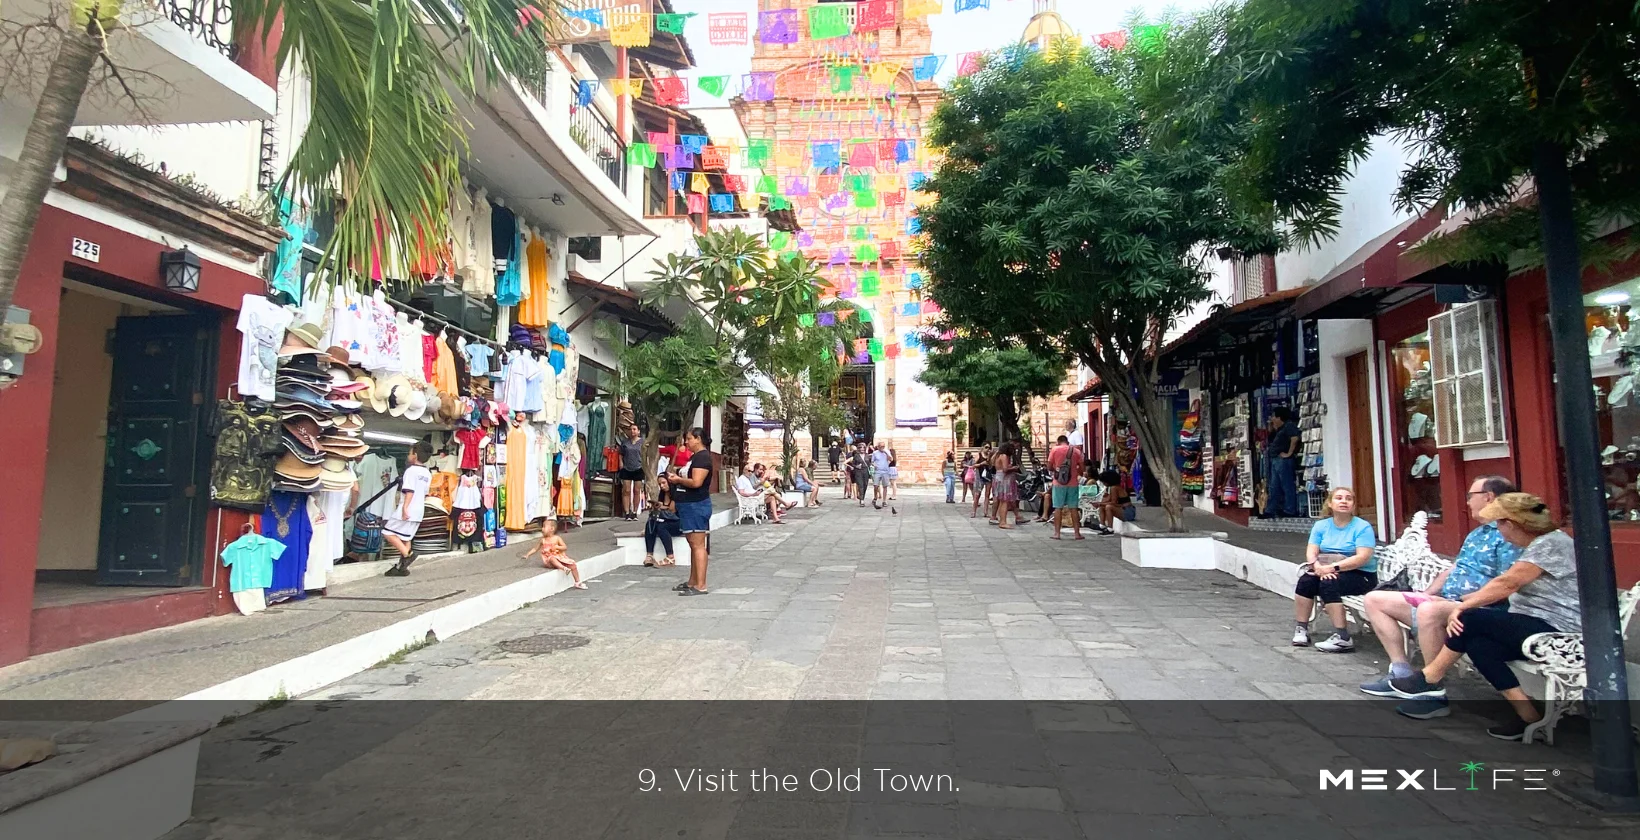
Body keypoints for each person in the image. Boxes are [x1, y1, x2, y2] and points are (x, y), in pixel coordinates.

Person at [1388, 493, 1584, 741]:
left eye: (1499, 524)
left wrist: (1463, 605)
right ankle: (1529, 717)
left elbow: (1508, 582)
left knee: (1471, 619)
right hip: (1534, 622)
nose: (1499, 531)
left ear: (1510, 524)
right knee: (1479, 644)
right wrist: (1465, 603)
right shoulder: (1538, 544)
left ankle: (1430, 677)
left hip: (1557, 629)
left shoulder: (1551, 544)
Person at [1358, 475, 1522, 718]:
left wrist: (1463, 601)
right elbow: (1455, 569)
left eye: (1470, 496)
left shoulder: (1509, 534)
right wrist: (1426, 593)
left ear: (1488, 498)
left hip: (1481, 609)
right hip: (1447, 600)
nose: (1467, 502)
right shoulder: (1477, 534)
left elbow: (1507, 583)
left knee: (1428, 611)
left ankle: (1432, 693)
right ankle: (1402, 673)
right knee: (1375, 599)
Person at [1293, 486, 1378, 652]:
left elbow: (1363, 557)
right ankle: (1301, 628)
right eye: (1339, 498)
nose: (1344, 501)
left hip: (1360, 574)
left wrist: (1332, 568)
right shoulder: (1321, 526)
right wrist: (1316, 566)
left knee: (1329, 583)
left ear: (1353, 505)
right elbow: (1312, 550)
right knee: (1306, 581)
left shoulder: (1362, 527)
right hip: (1326, 569)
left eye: (1349, 499)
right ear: (1330, 504)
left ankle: (1343, 637)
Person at [670, 428, 715, 596]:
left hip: (696, 505)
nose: (686, 442)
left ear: (698, 439)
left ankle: (701, 585)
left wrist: (678, 479)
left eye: (689, 439)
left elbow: (696, 482)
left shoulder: (702, 458)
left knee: (698, 545)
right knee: (693, 544)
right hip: (688, 504)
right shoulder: (695, 457)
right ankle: (693, 581)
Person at [383, 440, 433, 577]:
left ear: (415, 455)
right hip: (419, 509)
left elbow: (409, 491)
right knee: (406, 537)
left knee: (387, 532)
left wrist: (405, 508)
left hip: (408, 508)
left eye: (410, 453)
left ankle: (407, 555)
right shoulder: (427, 473)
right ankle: (401, 567)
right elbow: (424, 492)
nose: (408, 455)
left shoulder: (411, 471)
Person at [1262, 407, 1302, 518]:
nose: (1272, 419)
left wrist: (1289, 453)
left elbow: (1295, 438)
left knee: (1286, 485)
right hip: (1276, 459)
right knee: (1274, 486)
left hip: (1283, 460)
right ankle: (1271, 510)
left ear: (1280, 417)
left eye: (1274, 416)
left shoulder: (1289, 426)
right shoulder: (1280, 429)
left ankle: (1289, 510)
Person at [525, 518, 584, 589]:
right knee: (552, 558)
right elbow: (535, 549)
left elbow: (564, 547)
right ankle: (563, 568)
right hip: (549, 561)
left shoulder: (557, 538)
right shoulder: (543, 540)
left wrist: (557, 547)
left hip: (559, 557)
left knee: (573, 565)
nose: (542, 529)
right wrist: (528, 554)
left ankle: (577, 582)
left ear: (552, 529)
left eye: (544, 527)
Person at [1047, 435, 1086, 540]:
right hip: (1073, 483)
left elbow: (1049, 466)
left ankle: (1057, 533)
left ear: (1058, 441)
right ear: (1067, 441)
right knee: (1073, 508)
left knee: (1058, 508)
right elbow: (1082, 468)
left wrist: (1057, 469)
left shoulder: (1055, 450)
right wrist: (1075, 472)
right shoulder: (1076, 451)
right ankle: (1077, 533)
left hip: (1058, 483)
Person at [642, 473, 680, 568]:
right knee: (651, 522)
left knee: (661, 526)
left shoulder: (676, 492)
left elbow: (672, 510)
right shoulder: (663, 494)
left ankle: (670, 557)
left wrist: (661, 506)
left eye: (664, 483)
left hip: (678, 521)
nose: (662, 486)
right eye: (660, 484)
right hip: (668, 519)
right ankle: (649, 555)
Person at [617, 425, 645, 521]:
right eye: (631, 429)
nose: (632, 431)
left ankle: (635, 512)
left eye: (634, 429)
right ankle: (627, 512)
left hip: (639, 467)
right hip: (626, 468)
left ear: (638, 431)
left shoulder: (642, 442)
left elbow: (646, 454)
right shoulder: (625, 442)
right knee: (626, 490)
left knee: (637, 490)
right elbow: (620, 453)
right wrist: (621, 462)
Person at [993, 442, 1024, 529]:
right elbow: (1005, 469)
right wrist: (1014, 468)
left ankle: (1002, 520)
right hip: (1004, 480)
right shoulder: (1004, 456)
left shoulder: (999, 456)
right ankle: (1003, 522)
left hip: (999, 479)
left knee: (1003, 501)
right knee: (1005, 502)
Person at [1094, 469, 1130, 535]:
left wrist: (1100, 503)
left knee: (1109, 507)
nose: (1104, 484)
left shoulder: (1114, 488)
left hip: (1128, 511)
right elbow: (1107, 500)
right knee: (1102, 506)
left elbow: (1113, 503)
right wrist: (1101, 502)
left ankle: (1110, 528)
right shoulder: (1112, 488)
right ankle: (1102, 525)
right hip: (1123, 509)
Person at [971, 444, 995, 519]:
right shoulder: (979, 455)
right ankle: (973, 512)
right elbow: (973, 465)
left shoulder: (990, 456)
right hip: (980, 477)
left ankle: (986, 512)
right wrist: (982, 464)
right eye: (986, 447)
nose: (987, 449)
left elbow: (992, 465)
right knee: (977, 494)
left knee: (987, 495)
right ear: (983, 447)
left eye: (989, 448)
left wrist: (990, 458)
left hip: (988, 477)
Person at [870, 442, 892, 509]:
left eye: (883, 446)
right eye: (881, 446)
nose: (882, 448)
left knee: (885, 486)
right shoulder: (875, 453)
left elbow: (891, 459)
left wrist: (886, 453)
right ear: (878, 447)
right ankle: (875, 497)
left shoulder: (887, 451)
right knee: (876, 485)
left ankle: (884, 500)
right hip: (878, 471)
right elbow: (872, 461)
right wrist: (874, 465)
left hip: (885, 471)